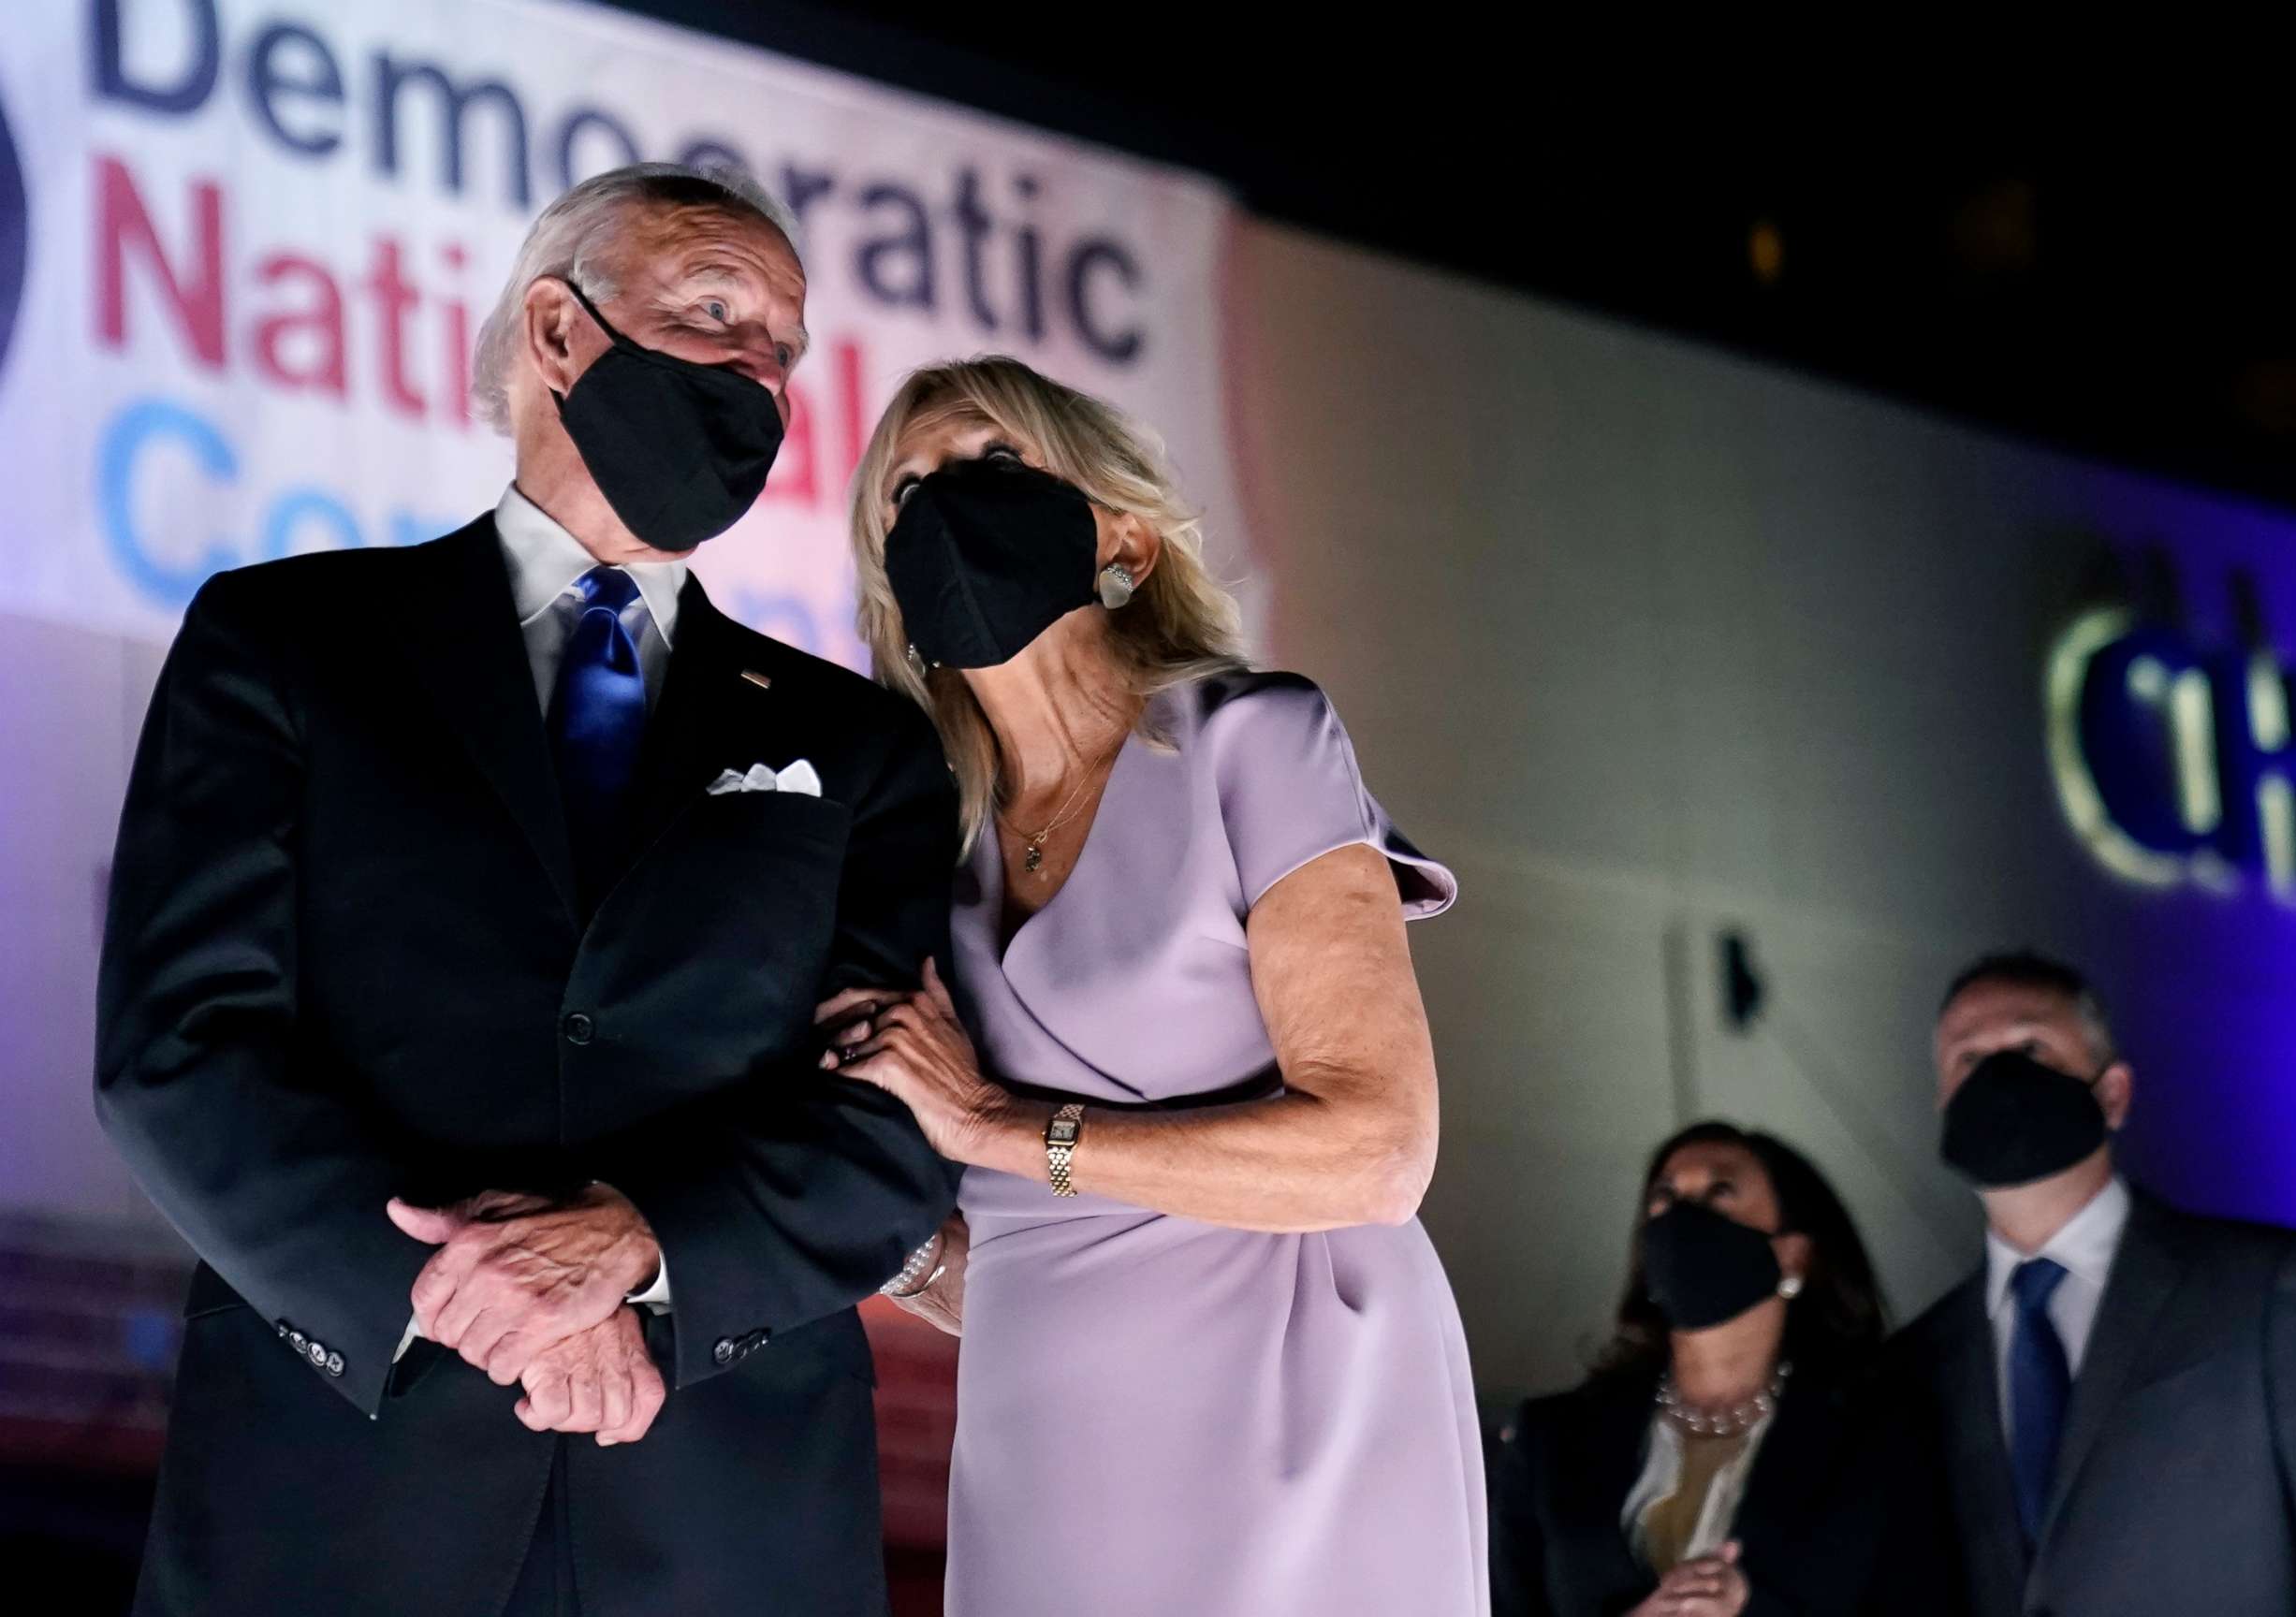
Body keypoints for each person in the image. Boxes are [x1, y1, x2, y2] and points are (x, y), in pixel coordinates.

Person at [95, 163, 960, 1617]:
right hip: (335, 1502)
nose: (763, 368)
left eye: (784, 345)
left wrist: (642, 1245)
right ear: (559, 336)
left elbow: (892, 1127)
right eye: (714, 309)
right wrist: (495, 1308)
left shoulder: (865, 745)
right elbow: (181, 1054)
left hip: (725, 1530)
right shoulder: (286, 641)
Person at [810, 357, 1486, 1616]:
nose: (945, 504)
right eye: (905, 491)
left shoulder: (1255, 738)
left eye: (994, 465)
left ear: (1119, 533)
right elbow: (1025, 1260)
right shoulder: (916, 851)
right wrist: (885, 1237)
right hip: (1048, 1454)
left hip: (1305, 1423)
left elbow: (1380, 1154)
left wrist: (998, 1129)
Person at [1898, 951, 2296, 1617]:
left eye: (2031, 1047)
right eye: (1969, 1059)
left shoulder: (2271, 1288)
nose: (2001, 1079)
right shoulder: (1914, 1365)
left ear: (2113, 1093)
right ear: (1943, 1101)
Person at [1491, 1122, 1953, 1616]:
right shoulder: (1550, 1441)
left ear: (1793, 1253)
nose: (1682, 1217)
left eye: (1719, 1193)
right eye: (1665, 1196)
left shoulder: (1878, 1440)